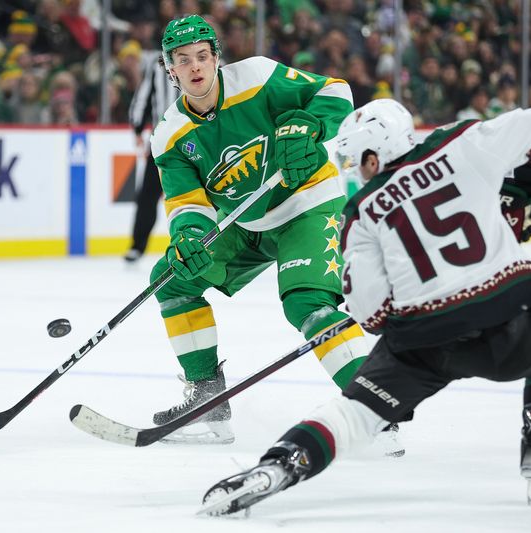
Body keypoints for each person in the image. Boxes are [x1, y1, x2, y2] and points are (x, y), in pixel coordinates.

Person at [201, 99, 531, 514]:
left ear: (373, 154)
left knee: (354, 414)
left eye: (355, 160)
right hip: (507, 325)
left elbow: (370, 314)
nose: (354, 171)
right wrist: (517, 197)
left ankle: (278, 466)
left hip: (423, 343)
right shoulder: (459, 143)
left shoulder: (361, 212)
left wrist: (405, 316)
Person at [147, 14, 390, 447]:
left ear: (217, 58)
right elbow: (187, 203)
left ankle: (376, 407)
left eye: (203, 56)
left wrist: (312, 125)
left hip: (308, 204)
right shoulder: (169, 135)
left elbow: (335, 91)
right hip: (247, 223)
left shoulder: (257, 76)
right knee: (172, 278)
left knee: (308, 303)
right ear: (171, 70)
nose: (196, 67)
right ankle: (209, 403)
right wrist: (188, 236)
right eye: (184, 60)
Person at [123, 45, 179, 263]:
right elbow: (143, 98)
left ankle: (218, 243)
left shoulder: (213, 64)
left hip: (197, 140)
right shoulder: (159, 66)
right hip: (162, 143)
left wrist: (137, 126)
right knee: (147, 195)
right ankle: (137, 245)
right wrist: (137, 127)